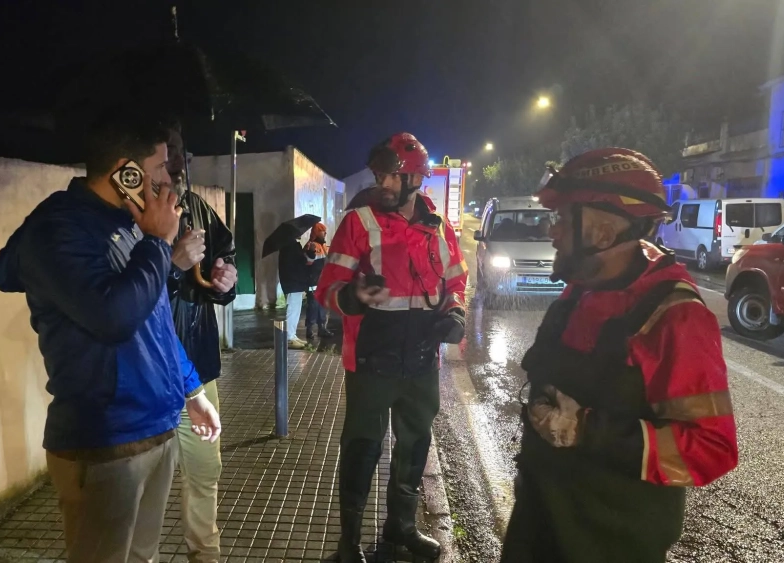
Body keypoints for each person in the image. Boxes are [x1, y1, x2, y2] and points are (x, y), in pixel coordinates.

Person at [0, 109, 222, 563]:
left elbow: (154, 320)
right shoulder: (59, 229)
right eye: (158, 169)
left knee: (142, 557)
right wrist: (157, 244)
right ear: (125, 172)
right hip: (105, 441)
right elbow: (112, 316)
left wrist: (191, 389)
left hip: (157, 427)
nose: (168, 181)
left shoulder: (131, 222)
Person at [500, 148, 739, 563]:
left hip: (609, 544)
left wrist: (586, 430)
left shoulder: (673, 315)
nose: (552, 232)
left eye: (562, 219)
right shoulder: (581, 290)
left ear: (603, 234)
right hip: (541, 525)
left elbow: (710, 449)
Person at [316, 133, 468, 562]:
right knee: (362, 447)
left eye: (389, 175)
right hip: (371, 361)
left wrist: (454, 311)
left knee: (415, 445)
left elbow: (455, 281)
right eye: (380, 174)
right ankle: (349, 542)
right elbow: (327, 290)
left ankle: (401, 528)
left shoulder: (439, 227)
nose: (380, 181)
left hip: (421, 360)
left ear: (414, 179)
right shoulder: (358, 222)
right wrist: (355, 296)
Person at [165, 124, 238, 563]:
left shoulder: (194, 206)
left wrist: (223, 282)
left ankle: (205, 555)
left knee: (205, 470)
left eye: (180, 151)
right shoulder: (124, 213)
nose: (177, 162)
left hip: (197, 366)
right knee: (144, 484)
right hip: (147, 375)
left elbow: (222, 258)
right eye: (167, 151)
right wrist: (172, 264)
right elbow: (127, 300)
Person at [278, 228, 313, 349]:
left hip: (295, 283)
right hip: (293, 282)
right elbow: (297, 262)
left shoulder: (290, 245)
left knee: (296, 310)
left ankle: (292, 335)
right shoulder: (290, 246)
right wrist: (305, 254)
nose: (300, 233)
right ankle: (289, 337)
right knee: (293, 310)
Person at [304, 222, 333, 340]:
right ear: (317, 232)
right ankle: (309, 329)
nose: (325, 233)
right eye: (322, 230)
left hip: (322, 281)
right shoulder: (311, 245)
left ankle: (322, 328)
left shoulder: (323, 246)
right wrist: (311, 251)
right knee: (313, 306)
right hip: (313, 282)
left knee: (322, 306)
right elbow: (308, 262)